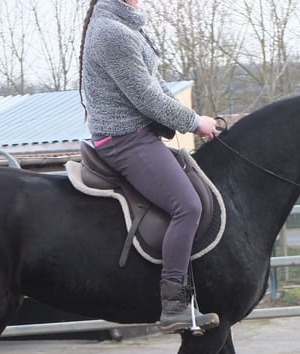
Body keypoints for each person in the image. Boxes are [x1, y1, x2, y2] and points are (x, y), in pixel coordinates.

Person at [79, 0, 220, 334]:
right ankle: (173, 305)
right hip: (125, 139)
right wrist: (194, 122)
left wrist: (194, 119)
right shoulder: (112, 33)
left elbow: (156, 87)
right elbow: (148, 98)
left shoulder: (126, 25)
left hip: (138, 135)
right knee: (187, 206)